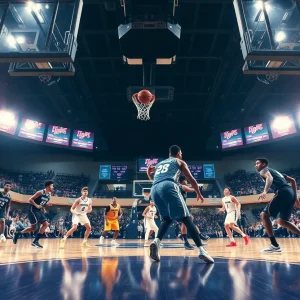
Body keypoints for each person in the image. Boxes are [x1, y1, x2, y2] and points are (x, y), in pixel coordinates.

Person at [147, 145, 214, 263]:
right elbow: (192, 179)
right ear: (179, 153)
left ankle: (156, 242)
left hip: (154, 189)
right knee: (187, 219)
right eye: (181, 153)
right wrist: (198, 193)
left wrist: (148, 174)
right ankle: (202, 250)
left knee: (167, 219)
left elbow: (157, 181)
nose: (181, 155)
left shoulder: (160, 164)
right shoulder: (179, 161)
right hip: (168, 185)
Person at [255, 158, 300, 253]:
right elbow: (293, 181)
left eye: (257, 163)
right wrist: (295, 197)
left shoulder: (264, 170)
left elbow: (269, 178)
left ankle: (274, 245)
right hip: (290, 193)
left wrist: (265, 191)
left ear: (264, 164)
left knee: (264, 215)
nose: (256, 165)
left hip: (282, 191)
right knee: (282, 221)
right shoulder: (277, 172)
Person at [13, 180, 54, 248]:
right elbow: (30, 199)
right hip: (32, 209)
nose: (53, 187)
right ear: (47, 186)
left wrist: (45, 206)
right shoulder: (40, 192)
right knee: (34, 227)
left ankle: (35, 241)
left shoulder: (49, 195)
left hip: (38, 210)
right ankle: (18, 233)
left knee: (45, 224)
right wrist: (37, 205)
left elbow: (42, 202)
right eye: (52, 185)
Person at [177, 175, 210, 250]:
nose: (187, 182)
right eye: (185, 180)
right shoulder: (180, 186)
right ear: (181, 181)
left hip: (181, 207)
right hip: (179, 207)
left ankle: (185, 238)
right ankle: (192, 238)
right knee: (186, 221)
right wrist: (197, 188)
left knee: (188, 220)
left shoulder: (180, 187)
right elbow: (190, 189)